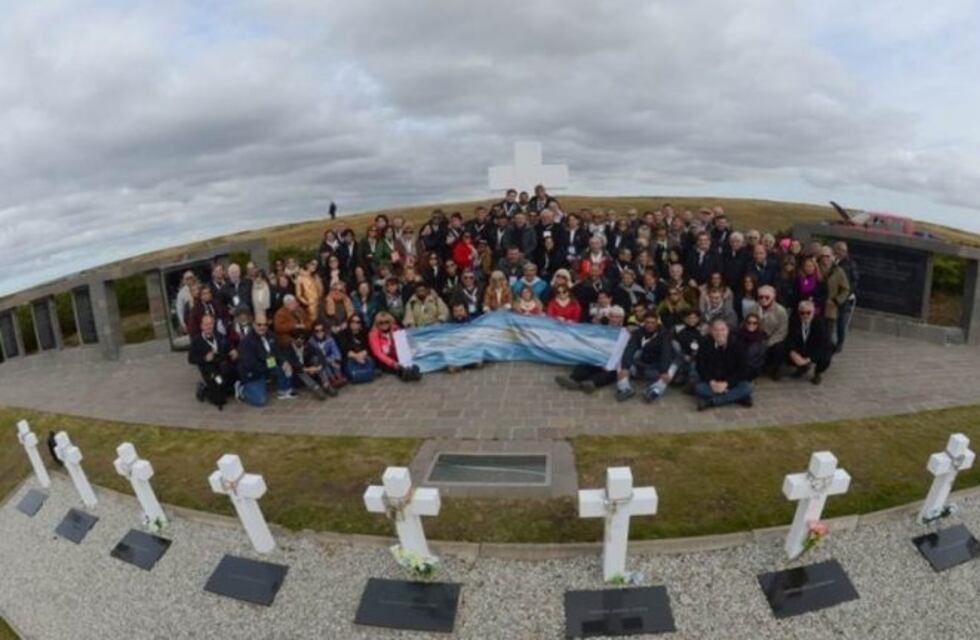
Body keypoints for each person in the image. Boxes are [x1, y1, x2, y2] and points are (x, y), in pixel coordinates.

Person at [236, 313, 296, 406]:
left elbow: (277, 352)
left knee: (285, 367)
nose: (262, 327)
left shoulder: (270, 335)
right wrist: (272, 365)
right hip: (253, 374)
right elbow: (251, 365)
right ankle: (241, 389)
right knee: (261, 401)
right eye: (259, 324)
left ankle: (283, 389)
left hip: (267, 367)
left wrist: (284, 362)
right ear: (253, 324)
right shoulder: (246, 342)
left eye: (265, 325)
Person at [694, 318, 753, 410]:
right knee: (699, 388)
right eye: (716, 330)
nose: (719, 333)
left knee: (748, 387)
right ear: (711, 331)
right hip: (713, 383)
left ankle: (712, 402)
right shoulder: (704, 344)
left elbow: (743, 369)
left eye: (722, 329)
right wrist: (712, 382)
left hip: (731, 382)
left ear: (728, 330)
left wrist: (727, 384)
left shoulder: (738, 345)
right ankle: (737, 397)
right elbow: (700, 366)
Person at [615, 314, 674, 402]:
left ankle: (654, 391)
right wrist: (625, 367)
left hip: (657, 369)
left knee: (672, 367)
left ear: (657, 323)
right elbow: (630, 349)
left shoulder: (665, 334)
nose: (650, 325)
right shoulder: (637, 333)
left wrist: (664, 370)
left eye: (652, 323)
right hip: (641, 365)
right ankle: (624, 388)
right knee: (621, 361)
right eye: (647, 323)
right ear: (643, 323)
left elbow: (666, 352)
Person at [187, 315, 238, 409]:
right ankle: (203, 389)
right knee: (220, 400)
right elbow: (190, 359)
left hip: (222, 367)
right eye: (205, 324)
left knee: (230, 386)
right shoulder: (196, 341)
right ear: (201, 326)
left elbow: (228, 346)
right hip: (209, 369)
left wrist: (232, 350)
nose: (208, 327)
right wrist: (205, 358)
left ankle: (223, 387)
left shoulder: (219, 336)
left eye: (210, 324)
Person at [788, 300, 831, 385]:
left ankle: (817, 372)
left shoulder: (820, 323)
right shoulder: (794, 321)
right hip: (802, 346)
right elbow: (790, 338)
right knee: (783, 349)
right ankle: (802, 368)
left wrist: (808, 359)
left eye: (808, 313)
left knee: (827, 353)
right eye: (802, 313)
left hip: (814, 348)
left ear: (813, 312)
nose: (805, 315)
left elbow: (822, 344)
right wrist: (793, 353)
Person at [368, 312, 421, 381]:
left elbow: (403, 345)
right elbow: (378, 353)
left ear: (390, 322)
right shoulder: (373, 334)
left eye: (386, 322)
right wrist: (392, 363)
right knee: (397, 367)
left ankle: (409, 371)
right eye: (381, 322)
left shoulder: (396, 330)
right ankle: (405, 373)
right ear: (377, 323)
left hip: (397, 357)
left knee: (409, 363)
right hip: (384, 360)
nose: (384, 324)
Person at [818, 245, 851, 352]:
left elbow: (846, 289)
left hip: (830, 308)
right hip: (816, 306)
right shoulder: (815, 268)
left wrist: (836, 301)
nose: (825, 258)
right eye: (822, 256)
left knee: (828, 335)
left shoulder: (838, 271)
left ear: (832, 256)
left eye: (827, 256)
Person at [756, 285, 789, 380]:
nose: (763, 299)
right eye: (760, 297)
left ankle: (776, 369)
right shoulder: (754, 308)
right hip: (759, 338)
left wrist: (768, 343)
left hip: (774, 339)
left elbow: (782, 331)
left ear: (773, 297)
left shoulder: (781, 311)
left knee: (779, 347)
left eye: (767, 297)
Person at [305, 322, 346, 393]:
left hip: (328, 359)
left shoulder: (329, 338)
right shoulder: (311, 342)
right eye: (317, 331)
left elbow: (336, 351)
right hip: (318, 363)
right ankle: (330, 380)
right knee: (319, 361)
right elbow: (316, 358)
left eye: (322, 330)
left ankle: (338, 377)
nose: (320, 332)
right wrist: (330, 361)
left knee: (335, 360)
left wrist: (335, 360)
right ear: (313, 332)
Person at [337, 314, 375, 383]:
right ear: (349, 322)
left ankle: (367, 373)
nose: (355, 324)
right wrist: (356, 357)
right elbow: (343, 349)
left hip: (364, 357)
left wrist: (362, 355)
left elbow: (369, 347)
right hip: (350, 358)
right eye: (352, 321)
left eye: (358, 322)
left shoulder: (365, 332)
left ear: (361, 323)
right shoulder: (342, 334)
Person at [737, 312, 768, 380]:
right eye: (749, 322)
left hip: (752, 367)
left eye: (755, 323)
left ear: (758, 324)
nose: (751, 325)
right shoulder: (738, 334)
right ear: (745, 323)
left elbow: (760, 357)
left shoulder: (762, 337)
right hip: (738, 366)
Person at [296, 259, 324, 325]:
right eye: (312, 264)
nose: (314, 266)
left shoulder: (317, 277)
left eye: (316, 265)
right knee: (311, 323)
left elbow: (321, 290)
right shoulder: (300, 278)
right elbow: (298, 294)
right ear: (307, 265)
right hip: (308, 306)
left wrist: (320, 299)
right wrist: (307, 302)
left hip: (319, 304)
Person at [175, 271, 197, 335]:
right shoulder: (181, 293)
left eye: (191, 277)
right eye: (187, 278)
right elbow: (180, 309)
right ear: (184, 280)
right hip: (190, 320)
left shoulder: (199, 288)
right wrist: (183, 324)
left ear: (194, 278)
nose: (189, 280)